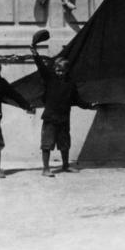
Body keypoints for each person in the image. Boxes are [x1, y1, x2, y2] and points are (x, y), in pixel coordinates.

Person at [30, 40, 98, 177]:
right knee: (46, 144)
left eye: (62, 71)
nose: (59, 73)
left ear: (67, 71)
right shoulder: (50, 80)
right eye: (57, 70)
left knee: (65, 144)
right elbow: (42, 68)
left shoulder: (71, 85)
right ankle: (46, 168)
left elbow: (78, 100)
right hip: (50, 118)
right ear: (54, 69)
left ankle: (66, 165)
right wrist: (35, 55)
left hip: (63, 119)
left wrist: (90, 106)